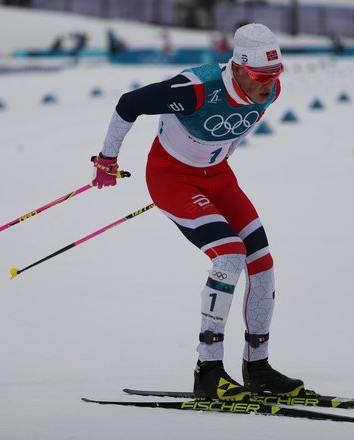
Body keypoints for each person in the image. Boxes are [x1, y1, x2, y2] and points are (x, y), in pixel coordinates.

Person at [90, 23, 305, 401]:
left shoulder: (271, 92)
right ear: (237, 67)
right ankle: (208, 371)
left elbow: (231, 132)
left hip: (218, 178)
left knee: (262, 261)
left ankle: (258, 367)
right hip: (172, 178)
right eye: (259, 76)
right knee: (230, 254)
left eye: (275, 75)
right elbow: (129, 103)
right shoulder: (196, 89)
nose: (268, 85)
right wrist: (107, 158)